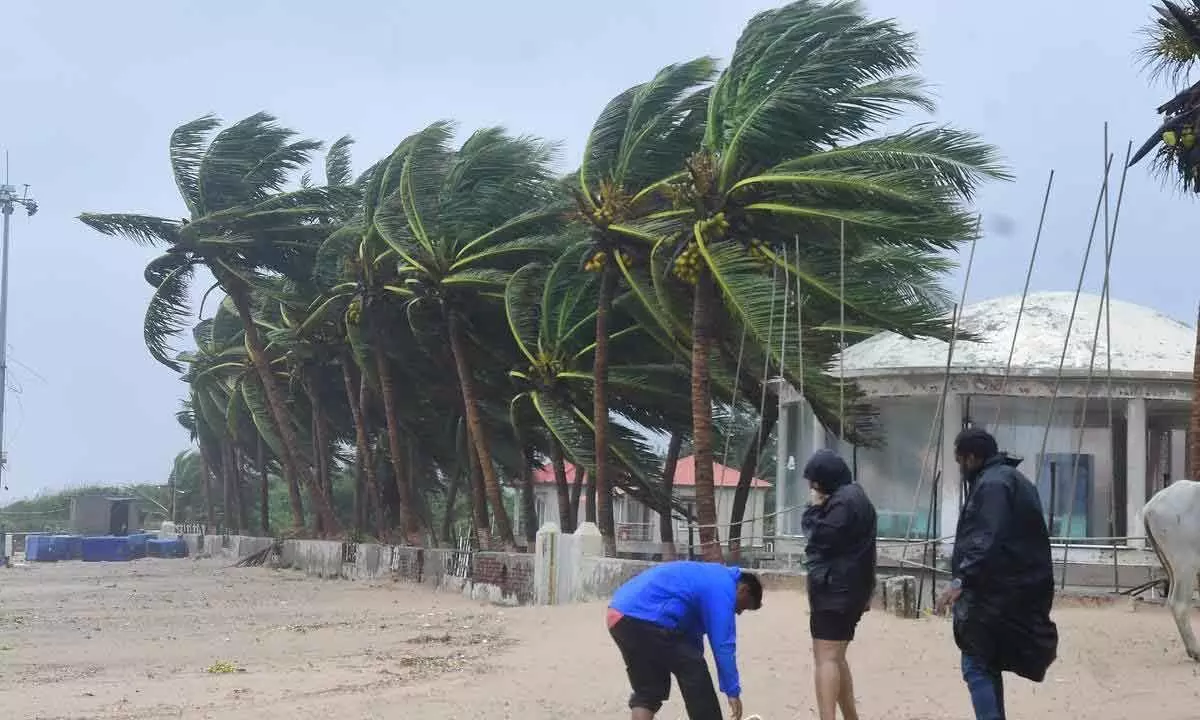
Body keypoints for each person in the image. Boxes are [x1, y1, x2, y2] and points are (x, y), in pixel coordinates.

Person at [935, 427, 1058, 720]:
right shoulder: (1011, 479)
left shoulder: (993, 485)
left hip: (996, 593)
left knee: (975, 663)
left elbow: (986, 539)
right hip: (1014, 589)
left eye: (960, 460)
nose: (960, 468)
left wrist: (959, 580)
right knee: (987, 662)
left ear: (973, 457)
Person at [607, 560, 764, 720]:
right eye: (743, 607)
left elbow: (690, 637)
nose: (738, 612)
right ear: (743, 590)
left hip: (619, 616)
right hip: (645, 617)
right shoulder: (723, 586)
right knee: (695, 674)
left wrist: (695, 656)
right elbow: (723, 645)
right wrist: (732, 691)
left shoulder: (707, 575)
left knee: (648, 691)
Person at [800, 449, 877, 720]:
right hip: (853, 589)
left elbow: (820, 537)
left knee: (826, 658)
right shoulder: (858, 497)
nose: (812, 487)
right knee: (837, 656)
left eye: (814, 482)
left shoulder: (842, 503)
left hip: (835, 590)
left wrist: (813, 509)